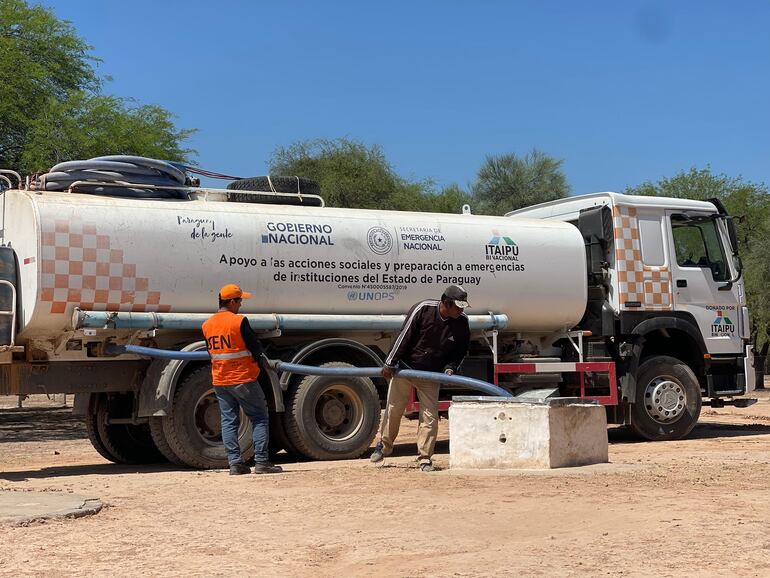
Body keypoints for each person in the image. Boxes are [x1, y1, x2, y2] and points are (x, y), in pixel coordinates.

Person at [370, 285, 471, 472]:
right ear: (446, 303)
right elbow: (404, 336)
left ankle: (425, 457)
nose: (461, 310)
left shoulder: (462, 322)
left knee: (430, 416)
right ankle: (384, 447)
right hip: (406, 369)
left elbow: (460, 351)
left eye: (463, 306)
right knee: (394, 409)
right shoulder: (423, 309)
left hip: (430, 374)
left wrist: (450, 368)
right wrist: (390, 363)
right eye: (458, 306)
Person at [202, 283, 282, 475]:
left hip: (220, 380)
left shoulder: (207, 325)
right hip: (243, 378)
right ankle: (262, 462)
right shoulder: (238, 322)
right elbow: (255, 348)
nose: (240, 305)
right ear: (231, 302)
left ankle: (235, 464)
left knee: (229, 421)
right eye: (239, 301)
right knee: (259, 417)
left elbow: (212, 351)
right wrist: (265, 361)